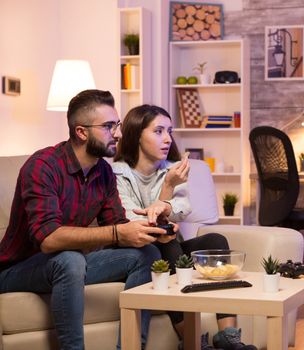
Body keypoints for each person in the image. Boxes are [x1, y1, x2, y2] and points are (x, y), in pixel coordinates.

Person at [0, 90, 173, 350]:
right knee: (69, 258)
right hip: (19, 269)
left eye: (117, 125)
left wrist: (154, 229)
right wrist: (118, 233)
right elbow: (49, 239)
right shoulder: (42, 166)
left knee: (147, 254)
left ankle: (130, 346)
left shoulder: (103, 171)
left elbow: (116, 223)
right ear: (81, 132)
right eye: (108, 126)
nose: (118, 134)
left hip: (73, 263)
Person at [112, 104, 256, 350]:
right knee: (166, 246)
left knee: (215, 242)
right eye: (158, 131)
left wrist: (167, 199)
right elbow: (134, 221)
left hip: (168, 246)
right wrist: (167, 187)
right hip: (138, 252)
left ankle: (229, 337)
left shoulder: (174, 169)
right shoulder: (117, 173)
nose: (167, 139)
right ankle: (192, 340)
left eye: (169, 131)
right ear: (136, 134)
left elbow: (181, 209)